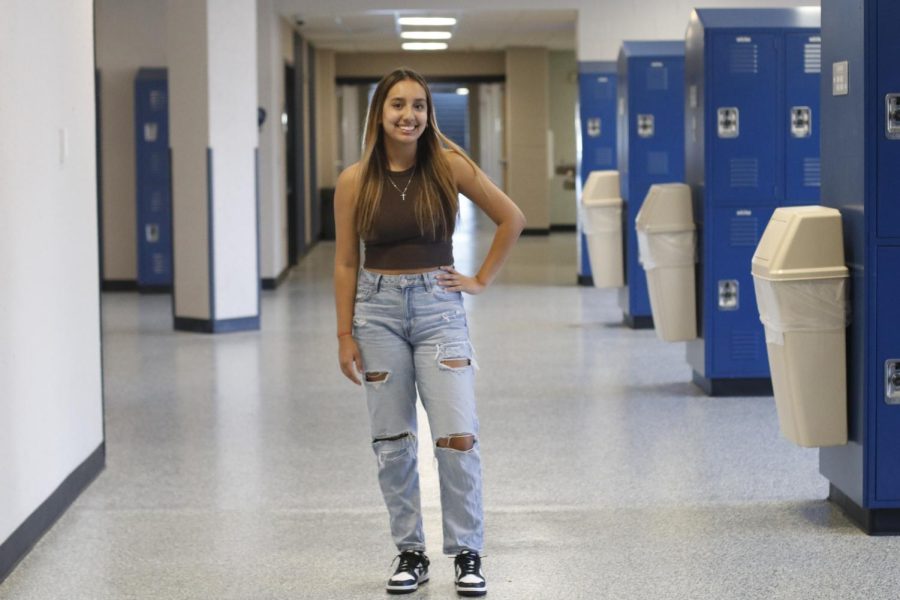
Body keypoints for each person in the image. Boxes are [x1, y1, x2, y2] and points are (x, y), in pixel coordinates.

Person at [333, 67, 525, 597]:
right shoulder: (355, 180)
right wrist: (343, 334)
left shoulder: (449, 165)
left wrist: (479, 279)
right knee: (392, 442)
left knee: (456, 438)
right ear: (380, 112)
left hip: (440, 309)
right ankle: (410, 552)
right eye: (398, 104)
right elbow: (347, 262)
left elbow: (512, 217)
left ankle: (467, 552)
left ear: (428, 113)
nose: (409, 115)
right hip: (376, 314)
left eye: (418, 105)